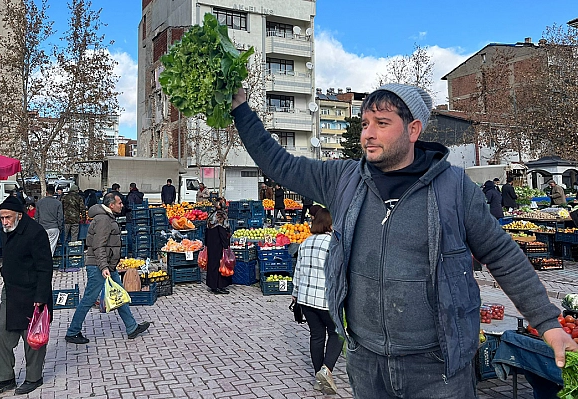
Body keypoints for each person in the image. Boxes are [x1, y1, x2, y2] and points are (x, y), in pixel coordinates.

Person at [230, 83, 574, 397]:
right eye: (365, 124)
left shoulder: (455, 189)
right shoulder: (343, 179)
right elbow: (279, 164)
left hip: (437, 368)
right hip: (367, 364)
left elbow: (503, 255)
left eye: (381, 123)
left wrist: (546, 322)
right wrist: (241, 108)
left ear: (413, 130)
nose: (368, 133)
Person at [0, 196, 53, 397]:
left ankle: (33, 377)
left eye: (8, 217)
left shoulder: (36, 233)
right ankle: (4, 378)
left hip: (33, 292)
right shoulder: (7, 231)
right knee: (1, 334)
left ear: (19, 216)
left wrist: (41, 296)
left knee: (33, 337)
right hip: (11, 292)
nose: (4, 221)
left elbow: (45, 267)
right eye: (2, 218)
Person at [64, 193, 151, 344]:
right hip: (99, 266)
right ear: (111, 205)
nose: (122, 205)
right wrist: (104, 266)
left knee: (119, 294)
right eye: (119, 203)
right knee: (89, 299)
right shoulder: (104, 219)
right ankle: (72, 332)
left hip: (107, 265)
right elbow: (98, 245)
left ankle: (131, 327)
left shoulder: (107, 217)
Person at [291, 208, 342, 395]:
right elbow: (339, 271)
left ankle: (318, 376)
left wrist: (295, 293)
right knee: (337, 333)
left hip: (306, 298)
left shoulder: (305, 243)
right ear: (330, 223)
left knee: (316, 335)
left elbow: (298, 271)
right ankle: (326, 370)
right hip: (326, 298)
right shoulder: (334, 243)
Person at [204, 210, 231, 294]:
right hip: (219, 246)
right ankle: (219, 286)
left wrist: (206, 244)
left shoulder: (211, 218)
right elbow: (223, 234)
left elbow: (206, 233)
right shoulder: (221, 218)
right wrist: (226, 246)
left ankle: (212, 285)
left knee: (212, 265)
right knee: (220, 265)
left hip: (211, 246)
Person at [35, 185, 64, 255]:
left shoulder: (39, 203)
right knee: (51, 248)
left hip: (42, 228)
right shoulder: (58, 203)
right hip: (54, 228)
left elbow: (36, 217)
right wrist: (60, 227)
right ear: (54, 192)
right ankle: (47, 262)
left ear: (46, 192)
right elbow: (60, 217)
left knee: (42, 246)